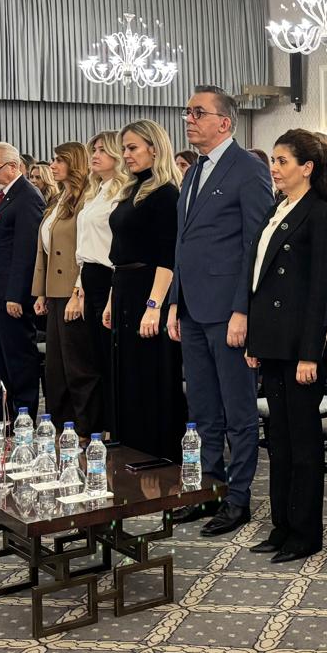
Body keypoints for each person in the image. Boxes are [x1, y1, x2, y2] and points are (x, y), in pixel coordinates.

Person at [167, 87, 271, 537]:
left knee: (238, 411)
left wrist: (242, 310)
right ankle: (208, 488)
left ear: (224, 122)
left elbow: (255, 245)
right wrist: (174, 301)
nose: (189, 119)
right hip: (192, 307)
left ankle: (238, 497)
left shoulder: (248, 169)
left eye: (198, 112)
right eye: (188, 112)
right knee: (203, 407)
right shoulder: (193, 172)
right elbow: (182, 242)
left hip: (228, 311)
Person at [243, 129, 327, 562]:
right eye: (274, 160)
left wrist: (309, 353)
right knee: (279, 440)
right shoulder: (277, 207)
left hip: (299, 345)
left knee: (302, 442)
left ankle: (305, 532)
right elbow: (259, 281)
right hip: (272, 339)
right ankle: (281, 525)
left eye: (283, 161)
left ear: (307, 167)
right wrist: (256, 340)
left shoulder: (321, 213)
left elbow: (320, 289)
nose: (274, 168)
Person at [106, 121, 186, 458]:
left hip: (150, 289)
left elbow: (167, 257)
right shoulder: (132, 189)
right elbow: (120, 252)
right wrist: (111, 299)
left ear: (154, 148)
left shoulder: (166, 193)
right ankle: (131, 447)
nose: (126, 155)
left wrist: (154, 306)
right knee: (127, 372)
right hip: (125, 287)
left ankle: (156, 450)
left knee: (150, 372)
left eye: (132, 147)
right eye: (124, 148)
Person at [34, 143, 100, 434]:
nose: (53, 165)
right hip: (55, 291)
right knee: (56, 367)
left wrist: (77, 292)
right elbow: (44, 249)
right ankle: (60, 426)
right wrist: (41, 291)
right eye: (53, 160)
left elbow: (88, 252)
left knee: (78, 366)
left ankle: (86, 428)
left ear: (75, 164)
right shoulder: (58, 198)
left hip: (76, 292)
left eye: (60, 160)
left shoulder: (88, 198)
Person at [0, 143, 44, 419]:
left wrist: (16, 294)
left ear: (13, 166)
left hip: (9, 295)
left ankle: (23, 414)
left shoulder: (27, 197)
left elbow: (26, 252)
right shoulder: (0, 193)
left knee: (18, 358)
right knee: (1, 359)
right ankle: (4, 410)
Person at [71, 131, 127, 441]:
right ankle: (104, 423)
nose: (95, 155)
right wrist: (79, 288)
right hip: (90, 275)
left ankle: (116, 426)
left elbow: (116, 247)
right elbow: (85, 246)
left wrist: (111, 295)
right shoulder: (96, 191)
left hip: (110, 278)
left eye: (103, 150)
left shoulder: (122, 192)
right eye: (94, 150)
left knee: (110, 357)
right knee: (95, 357)